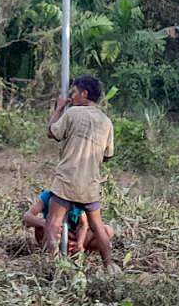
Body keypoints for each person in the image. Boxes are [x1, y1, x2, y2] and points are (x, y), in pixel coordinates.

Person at [45, 75, 119, 271]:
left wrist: (59, 108)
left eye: (74, 93)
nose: (71, 97)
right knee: (98, 227)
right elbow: (108, 155)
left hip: (67, 179)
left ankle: (55, 265)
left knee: (53, 223)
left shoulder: (72, 113)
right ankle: (109, 265)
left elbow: (52, 132)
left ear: (84, 94)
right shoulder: (106, 121)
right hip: (90, 184)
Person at [22, 189, 114, 255]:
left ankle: (78, 250)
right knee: (40, 227)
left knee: (107, 231)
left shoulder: (80, 198)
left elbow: (83, 224)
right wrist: (45, 223)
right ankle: (52, 251)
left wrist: (80, 243)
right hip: (54, 235)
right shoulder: (48, 196)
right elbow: (27, 217)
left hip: (74, 236)